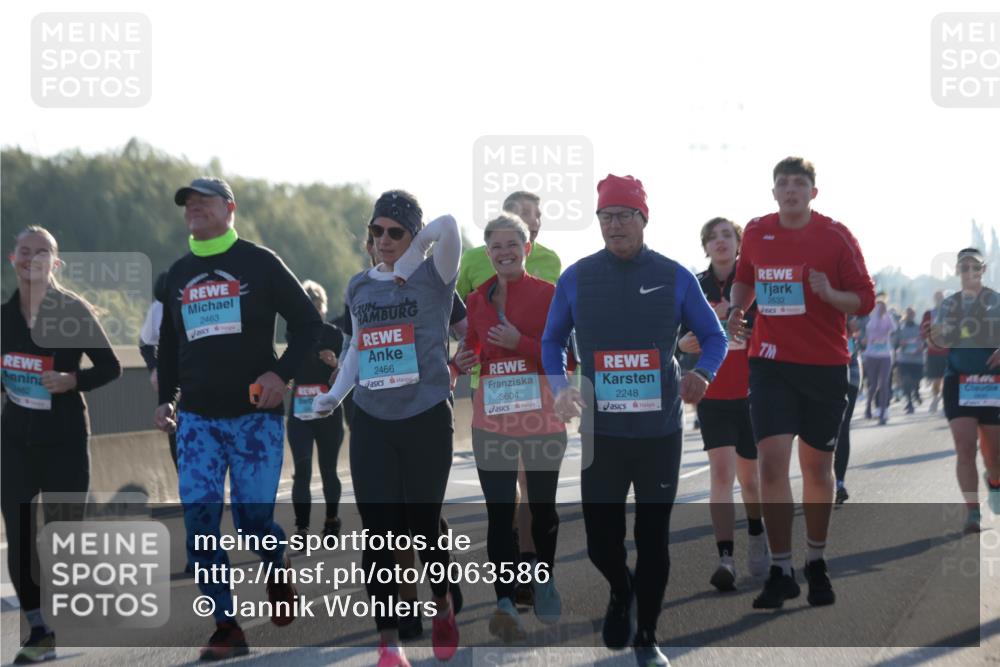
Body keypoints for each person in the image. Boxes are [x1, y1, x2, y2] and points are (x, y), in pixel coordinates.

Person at [542, 175, 727, 667]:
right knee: (602, 543)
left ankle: (647, 635)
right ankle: (620, 590)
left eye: (624, 215)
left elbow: (715, 337)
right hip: (602, 433)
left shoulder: (674, 276)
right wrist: (560, 387)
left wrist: (703, 375)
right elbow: (551, 341)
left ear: (644, 219)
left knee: (652, 537)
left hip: (658, 432)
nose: (615, 224)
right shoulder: (577, 277)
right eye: (606, 216)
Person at [154, 178, 322, 660]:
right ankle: (227, 625)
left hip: (255, 418)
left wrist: (281, 374)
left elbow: (310, 323)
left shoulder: (260, 262)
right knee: (201, 524)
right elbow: (169, 346)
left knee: (252, 521)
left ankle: (277, 562)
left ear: (229, 208)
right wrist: (168, 399)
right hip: (198, 423)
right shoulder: (178, 275)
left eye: (203, 202)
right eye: (187, 203)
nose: (193, 209)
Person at [314, 190, 461, 667]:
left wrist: (415, 256)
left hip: (425, 417)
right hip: (373, 420)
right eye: (376, 231)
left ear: (413, 236)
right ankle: (390, 644)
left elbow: (451, 226)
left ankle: (442, 605)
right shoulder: (359, 286)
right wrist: (335, 396)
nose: (383, 240)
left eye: (395, 232)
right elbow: (358, 347)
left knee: (422, 528)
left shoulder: (435, 277)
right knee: (379, 534)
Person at [727, 157, 875, 610]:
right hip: (770, 364)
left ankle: (816, 560)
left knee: (816, 470)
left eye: (799, 183)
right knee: (771, 465)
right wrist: (737, 309)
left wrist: (831, 295)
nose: (790, 190)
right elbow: (744, 280)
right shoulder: (755, 232)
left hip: (824, 366)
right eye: (783, 184)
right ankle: (780, 569)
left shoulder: (835, 235)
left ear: (814, 192)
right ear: (774, 192)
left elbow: (864, 299)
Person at [2, 226, 122, 663]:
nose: (32, 259)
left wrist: (73, 380)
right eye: (25, 251)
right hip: (15, 442)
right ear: (13, 259)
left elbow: (110, 367)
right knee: (20, 538)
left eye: (43, 253)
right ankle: (39, 628)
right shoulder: (2, 317)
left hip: (65, 440)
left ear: (56, 264)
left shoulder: (72, 312)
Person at [454, 213, 568, 641]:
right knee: (500, 511)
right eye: (495, 247)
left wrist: (518, 342)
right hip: (493, 419)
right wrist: (463, 361)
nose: (504, 253)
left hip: (540, 418)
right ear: (487, 252)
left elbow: (565, 360)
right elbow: (473, 349)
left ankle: (544, 578)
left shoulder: (550, 296)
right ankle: (504, 600)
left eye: (511, 245)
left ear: (527, 249)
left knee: (542, 511)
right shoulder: (477, 300)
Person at [676, 217, 769, 591]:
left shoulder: (755, 285)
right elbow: (678, 337)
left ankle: (758, 533)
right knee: (721, 475)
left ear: (739, 243)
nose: (719, 242)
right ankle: (725, 558)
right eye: (712, 237)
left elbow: (773, 329)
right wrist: (685, 344)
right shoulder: (694, 285)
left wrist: (742, 325)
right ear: (705, 247)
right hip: (712, 393)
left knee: (750, 480)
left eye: (726, 235)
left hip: (754, 393)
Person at [928, 248, 1000, 533]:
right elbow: (940, 338)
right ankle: (973, 512)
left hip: (992, 383)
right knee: (965, 447)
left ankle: (995, 480)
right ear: (957, 271)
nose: (969, 271)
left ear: (982, 270)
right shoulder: (949, 304)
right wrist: (938, 334)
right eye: (963, 267)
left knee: (994, 455)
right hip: (959, 380)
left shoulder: (995, 300)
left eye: (974, 266)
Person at [286, 280, 345, 542]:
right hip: (301, 411)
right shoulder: (294, 333)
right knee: (302, 469)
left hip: (328, 411)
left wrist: (335, 363)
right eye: (307, 305)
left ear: (324, 307)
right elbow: (289, 361)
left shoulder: (335, 334)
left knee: (328, 469)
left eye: (316, 305)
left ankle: (331, 520)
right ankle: (302, 527)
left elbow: (348, 371)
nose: (312, 309)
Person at [139, 271, 179, 468]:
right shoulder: (159, 308)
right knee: (179, 447)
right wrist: (154, 368)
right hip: (175, 387)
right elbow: (145, 344)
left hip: (210, 381)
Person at [835, 317, 863, 504]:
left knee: (843, 426)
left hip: (849, 369)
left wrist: (855, 322)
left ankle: (839, 483)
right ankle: (820, 480)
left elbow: (864, 320)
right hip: (817, 370)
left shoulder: (846, 295)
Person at [864, 296, 895, 425]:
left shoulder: (888, 318)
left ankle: (883, 412)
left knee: (884, 384)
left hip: (885, 355)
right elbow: (872, 328)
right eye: (879, 307)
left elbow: (893, 328)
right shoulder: (871, 318)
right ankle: (868, 407)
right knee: (873, 385)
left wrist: (887, 316)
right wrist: (877, 314)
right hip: (871, 355)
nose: (882, 309)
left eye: (883, 307)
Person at [895, 307, 925, 414]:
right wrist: (900, 343)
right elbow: (895, 342)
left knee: (916, 381)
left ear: (914, 315)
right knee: (906, 380)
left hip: (917, 359)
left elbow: (925, 341)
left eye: (912, 314)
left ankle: (916, 392)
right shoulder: (900, 328)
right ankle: (909, 402)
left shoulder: (920, 327)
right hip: (904, 359)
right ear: (905, 314)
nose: (910, 315)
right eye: (908, 313)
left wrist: (922, 346)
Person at [922, 290, 948, 413]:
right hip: (933, 351)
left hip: (948, 352)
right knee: (936, 379)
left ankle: (945, 401)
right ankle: (935, 397)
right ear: (934, 299)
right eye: (937, 298)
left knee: (947, 378)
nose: (939, 300)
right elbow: (924, 331)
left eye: (941, 298)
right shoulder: (929, 314)